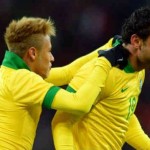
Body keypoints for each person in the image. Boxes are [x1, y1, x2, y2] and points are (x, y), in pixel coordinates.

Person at [0, 17, 128, 150]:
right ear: (32, 53)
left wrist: (109, 46)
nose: (52, 57)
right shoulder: (24, 80)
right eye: (48, 51)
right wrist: (105, 63)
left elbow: (68, 72)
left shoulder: (9, 74)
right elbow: (80, 104)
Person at [51, 7, 150, 150]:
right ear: (136, 41)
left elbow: (122, 116)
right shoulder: (101, 73)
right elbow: (61, 122)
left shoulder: (138, 70)